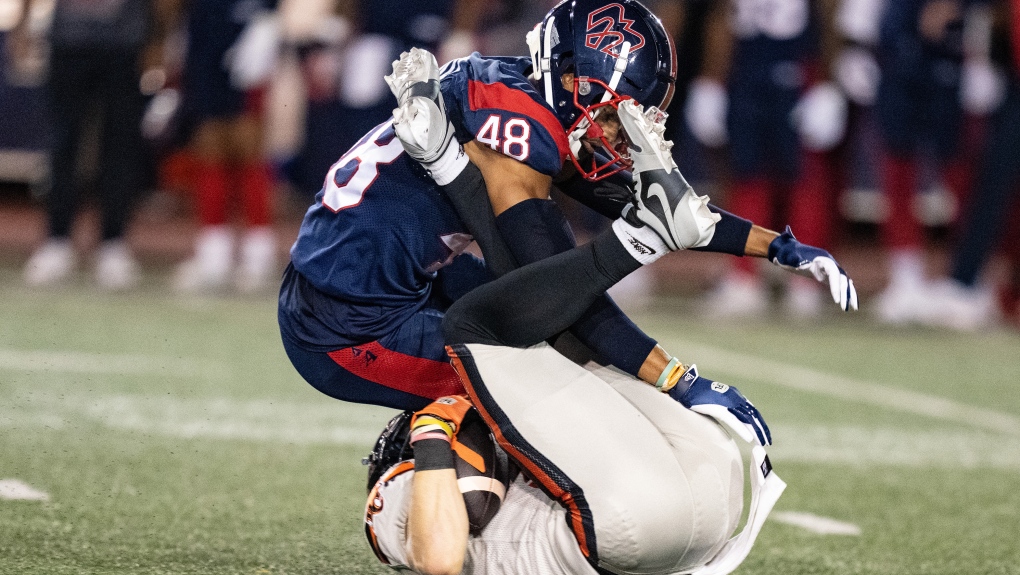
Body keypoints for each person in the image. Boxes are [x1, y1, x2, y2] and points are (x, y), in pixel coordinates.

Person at [278, 0, 857, 414]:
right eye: (615, 112)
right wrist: (679, 380)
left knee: (549, 349)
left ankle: (441, 433)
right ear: (574, 79)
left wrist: (779, 247)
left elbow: (664, 206)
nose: (622, 132)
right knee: (541, 390)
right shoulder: (519, 136)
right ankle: (422, 472)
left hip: (386, 277)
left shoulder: (521, 94)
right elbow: (569, 305)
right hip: (345, 326)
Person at [362, 96, 787, 575]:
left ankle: (466, 174)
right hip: (677, 508)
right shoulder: (408, 488)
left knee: (562, 345)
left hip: (672, 516)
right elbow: (445, 551)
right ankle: (637, 236)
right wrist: (434, 429)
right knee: (475, 326)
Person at [685, 0, 848, 319]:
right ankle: (745, 275)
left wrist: (829, 82)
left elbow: (830, 16)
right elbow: (723, 15)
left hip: (799, 69)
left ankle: (806, 279)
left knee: (806, 179)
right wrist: (711, 79)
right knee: (748, 177)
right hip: (748, 71)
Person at [12, 0, 161, 290]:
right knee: (62, 144)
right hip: (69, 41)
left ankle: (113, 242)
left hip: (124, 43)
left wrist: (157, 37)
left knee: (119, 145)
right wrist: (23, 24)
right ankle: (57, 240)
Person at [173, 0, 281, 293]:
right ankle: (214, 255)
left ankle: (258, 255)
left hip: (246, 34)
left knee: (249, 151)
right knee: (210, 150)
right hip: (206, 36)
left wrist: (270, 21)